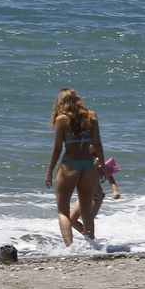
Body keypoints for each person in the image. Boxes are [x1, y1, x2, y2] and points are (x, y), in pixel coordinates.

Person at [45, 88, 106, 249]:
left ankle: (70, 248)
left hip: (69, 166)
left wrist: (50, 170)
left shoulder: (62, 119)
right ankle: (92, 246)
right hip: (87, 167)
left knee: (63, 211)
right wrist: (104, 167)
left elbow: (58, 148)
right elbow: (98, 144)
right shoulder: (91, 116)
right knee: (87, 211)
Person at [70, 157, 121, 240]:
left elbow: (110, 177)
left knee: (88, 222)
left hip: (96, 197)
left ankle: (91, 242)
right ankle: (90, 239)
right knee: (71, 220)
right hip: (83, 196)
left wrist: (115, 190)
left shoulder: (97, 162)